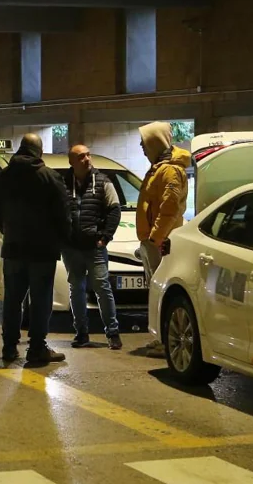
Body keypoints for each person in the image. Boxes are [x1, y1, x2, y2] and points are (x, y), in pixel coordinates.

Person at [0, 134, 70, 366]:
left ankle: (9, 347)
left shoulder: (4, 176)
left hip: (13, 248)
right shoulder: (50, 177)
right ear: (39, 151)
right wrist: (61, 240)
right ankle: (36, 348)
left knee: (12, 299)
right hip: (43, 251)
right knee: (41, 299)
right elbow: (63, 214)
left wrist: (7, 230)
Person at [60, 144, 123, 350]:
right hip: (71, 248)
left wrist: (105, 238)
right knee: (76, 289)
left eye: (88, 155)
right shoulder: (63, 184)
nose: (87, 159)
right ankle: (81, 333)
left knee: (102, 288)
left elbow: (114, 210)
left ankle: (112, 332)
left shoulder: (103, 182)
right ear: (72, 162)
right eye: (81, 156)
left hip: (94, 248)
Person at [136, 121, 190, 281]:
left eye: (145, 142)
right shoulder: (159, 168)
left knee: (159, 287)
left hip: (160, 243)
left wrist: (155, 239)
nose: (142, 146)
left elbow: (170, 208)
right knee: (154, 288)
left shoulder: (170, 170)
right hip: (154, 241)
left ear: (155, 142)